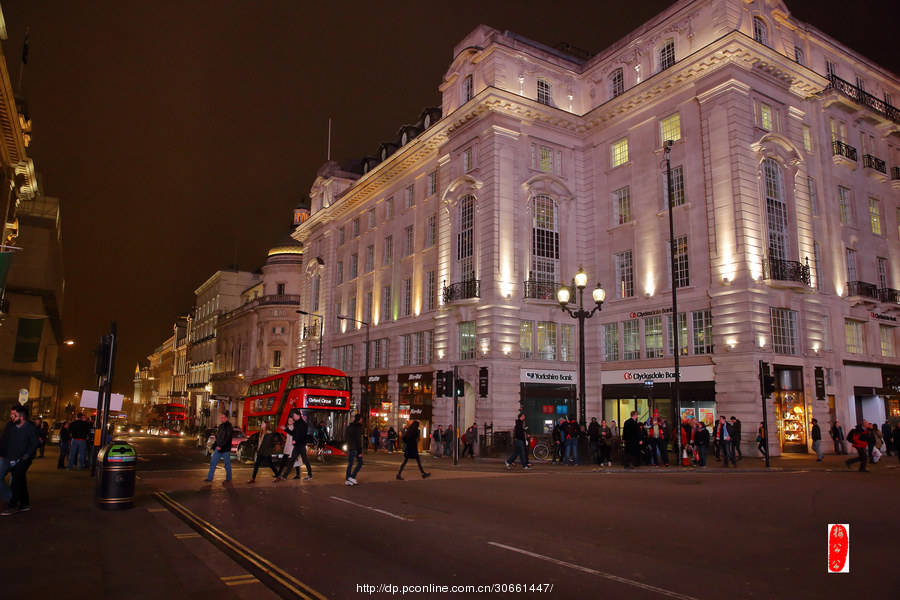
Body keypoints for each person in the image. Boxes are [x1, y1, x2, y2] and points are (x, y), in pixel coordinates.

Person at [0, 405, 40, 515]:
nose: (12, 417)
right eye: (11, 414)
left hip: (22, 460)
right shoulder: (10, 425)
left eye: (14, 415)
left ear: (21, 417)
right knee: (20, 482)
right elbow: (4, 439)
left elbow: (34, 443)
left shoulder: (30, 428)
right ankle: (24, 503)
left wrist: (26, 456)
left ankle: (12, 505)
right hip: (7, 457)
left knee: (16, 482)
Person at [279, 411, 313, 481]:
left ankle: (310, 474)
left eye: (294, 416)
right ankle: (285, 475)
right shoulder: (297, 424)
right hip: (297, 445)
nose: (294, 417)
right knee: (292, 460)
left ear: (298, 416)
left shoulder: (303, 424)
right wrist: (285, 429)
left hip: (301, 445)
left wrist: (296, 440)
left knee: (305, 460)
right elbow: (293, 433)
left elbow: (302, 435)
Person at [205, 413, 234, 483]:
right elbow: (220, 436)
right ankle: (210, 478)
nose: (221, 419)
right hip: (219, 447)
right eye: (220, 417)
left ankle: (228, 478)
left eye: (222, 417)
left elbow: (227, 438)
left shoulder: (229, 427)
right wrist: (216, 442)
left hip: (225, 448)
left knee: (227, 464)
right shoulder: (221, 426)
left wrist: (220, 445)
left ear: (226, 418)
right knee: (213, 462)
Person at [345, 414, 364, 485]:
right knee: (360, 462)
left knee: (350, 463)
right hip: (355, 448)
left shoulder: (350, 426)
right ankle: (352, 477)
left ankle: (347, 479)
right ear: (359, 419)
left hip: (350, 447)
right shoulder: (358, 427)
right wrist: (360, 451)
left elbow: (347, 436)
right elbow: (358, 440)